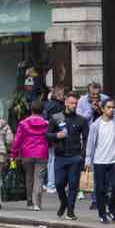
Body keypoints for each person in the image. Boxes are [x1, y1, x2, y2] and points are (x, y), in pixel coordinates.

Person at [47, 92, 88, 220]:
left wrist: (82, 155)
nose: (73, 105)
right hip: (60, 156)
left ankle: (70, 211)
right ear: (65, 102)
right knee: (59, 183)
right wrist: (56, 136)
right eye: (71, 103)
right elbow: (47, 135)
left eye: (75, 103)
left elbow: (87, 138)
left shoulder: (81, 120)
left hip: (75, 157)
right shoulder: (56, 117)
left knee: (73, 184)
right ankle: (63, 202)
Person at [87, 99, 115, 223]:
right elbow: (90, 144)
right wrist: (88, 159)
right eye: (108, 107)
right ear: (102, 109)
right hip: (99, 161)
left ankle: (111, 209)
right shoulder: (95, 125)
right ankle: (102, 214)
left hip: (114, 160)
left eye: (113, 107)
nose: (111, 109)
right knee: (100, 189)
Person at [12, 102, 51, 210]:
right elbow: (50, 138)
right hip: (42, 153)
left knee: (29, 177)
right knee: (39, 178)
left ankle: (29, 202)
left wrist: (13, 154)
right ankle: (37, 203)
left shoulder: (23, 123)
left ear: (31, 109)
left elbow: (17, 140)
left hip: (27, 153)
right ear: (43, 110)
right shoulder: (47, 123)